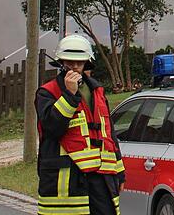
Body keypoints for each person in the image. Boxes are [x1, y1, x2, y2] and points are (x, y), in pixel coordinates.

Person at [36, 34, 124, 215]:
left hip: (101, 178)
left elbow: (108, 132)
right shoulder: (47, 92)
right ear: (61, 62)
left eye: (80, 62)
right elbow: (52, 128)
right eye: (70, 62)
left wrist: (120, 171)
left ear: (87, 62)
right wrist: (69, 95)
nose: (75, 66)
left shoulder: (97, 90)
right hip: (67, 179)